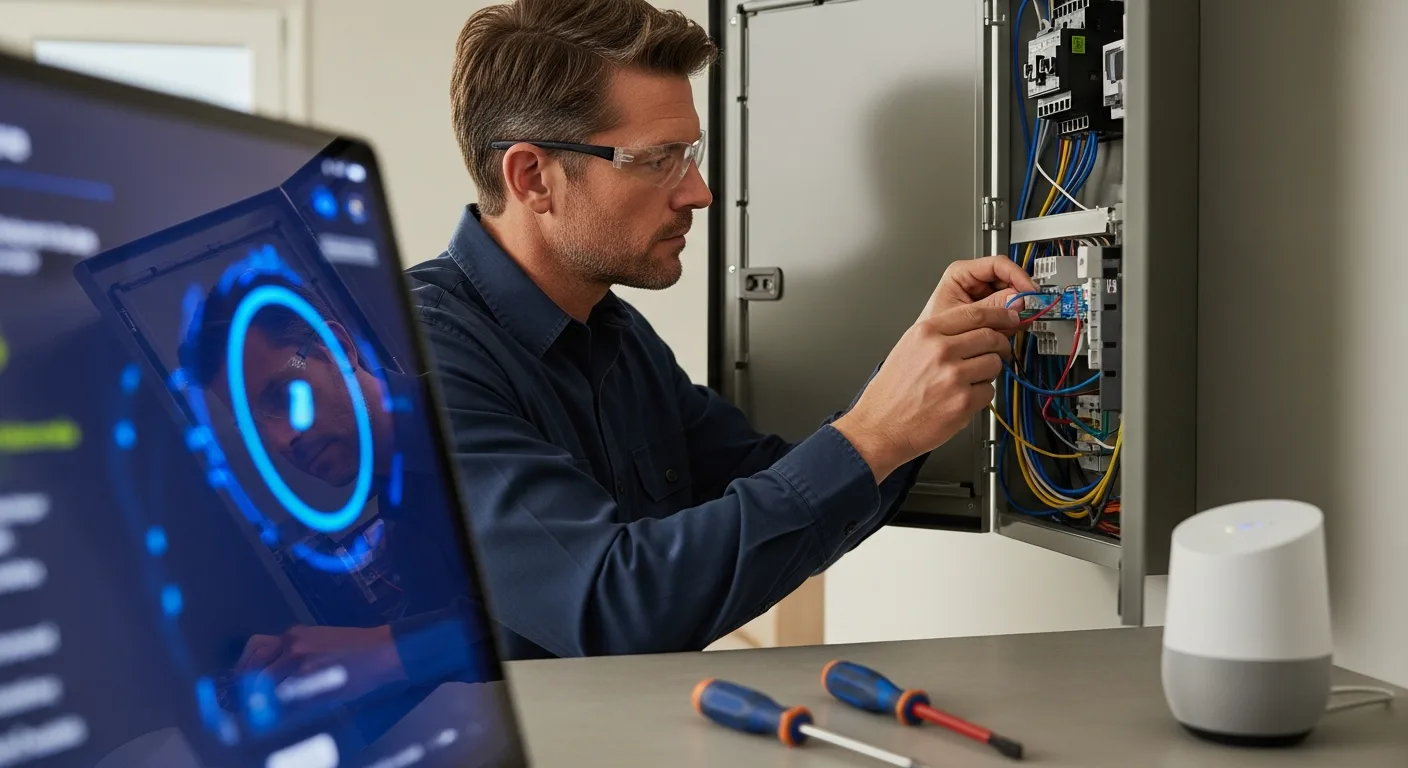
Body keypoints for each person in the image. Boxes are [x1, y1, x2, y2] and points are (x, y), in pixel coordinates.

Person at [406, 0, 1037, 661]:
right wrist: (875, 433)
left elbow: (784, 489)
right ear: (533, 177)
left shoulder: (618, 337)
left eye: (690, 154)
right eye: (658, 160)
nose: (700, 192)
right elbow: (612, 605)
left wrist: (926, 375)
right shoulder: (422, 357)